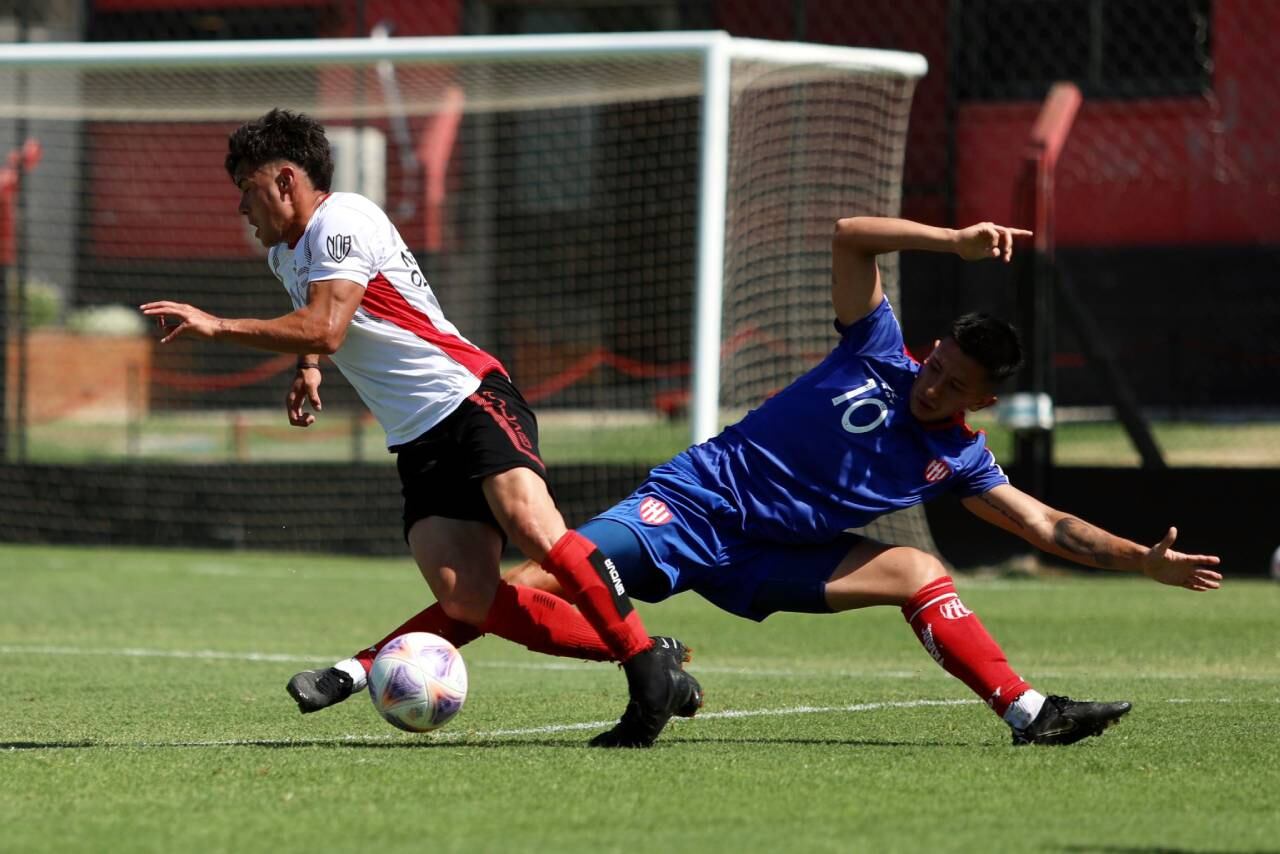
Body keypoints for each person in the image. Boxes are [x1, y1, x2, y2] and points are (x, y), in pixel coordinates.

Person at [294, 215, 1223, 746]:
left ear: (983, 398)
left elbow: (1046, 526)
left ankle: (1027, 713)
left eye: (956, 387)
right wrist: (952, 241)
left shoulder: (959, 458)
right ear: (930, 348)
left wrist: (1140, 559)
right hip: (694, 506)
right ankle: (361, 666)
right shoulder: (876, 348)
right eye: (936, 365)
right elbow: (850, 236)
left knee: (914, 573)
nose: (934, 385)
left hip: (780, 556)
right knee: (527, 579)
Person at [139, 108, 701, 749]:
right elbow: (319, 324)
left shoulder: (343, 218)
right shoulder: (282, 253)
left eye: (246, 188)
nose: (242, 206)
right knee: (467, 599)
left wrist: (219, 325)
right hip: (417, 437)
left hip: (468, 397)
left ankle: (646, 684)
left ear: (287, 181)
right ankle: (645, 655)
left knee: (536, 531)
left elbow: (327, 323)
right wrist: (310, 369)